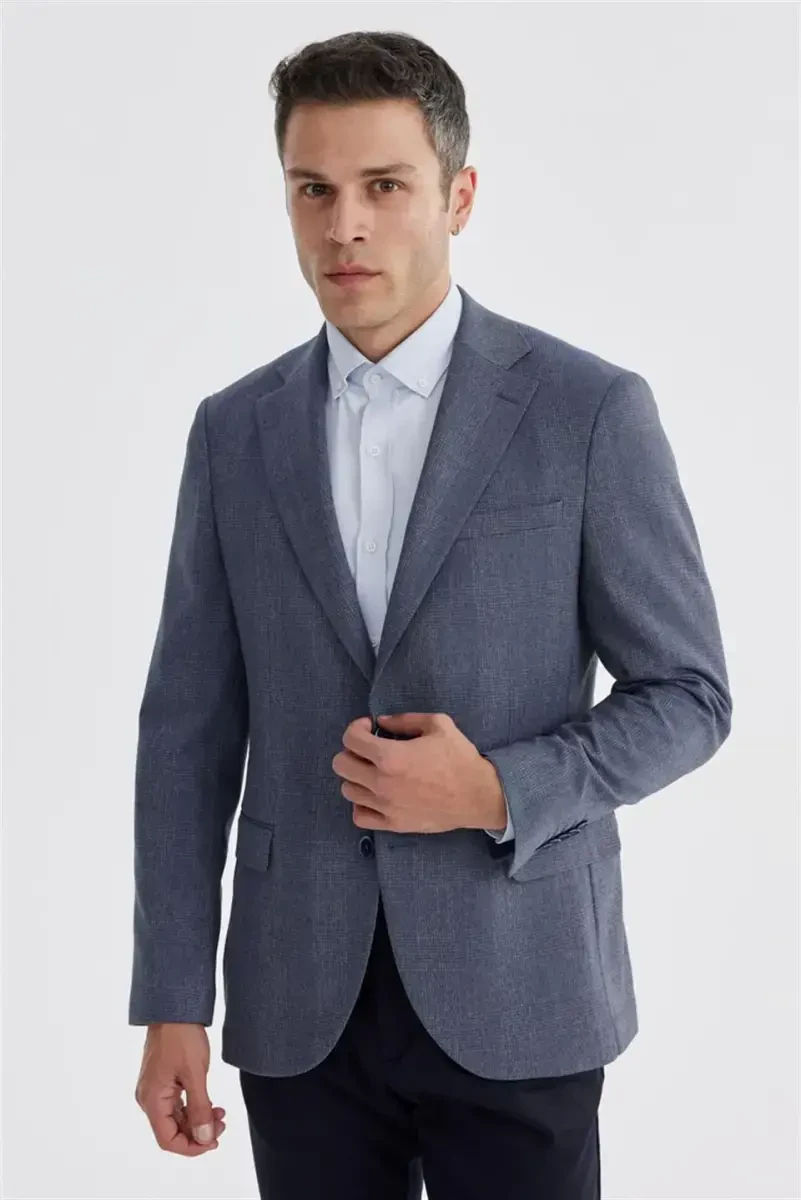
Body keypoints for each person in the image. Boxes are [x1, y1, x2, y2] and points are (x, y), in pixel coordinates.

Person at [129, 29, 732, 1200]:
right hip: (299, 999)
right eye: (314, 190)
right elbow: (185, 735)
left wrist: (501, 789)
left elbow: (691, 697)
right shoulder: (235, 431)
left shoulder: (587, 412)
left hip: (522, 986)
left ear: (458, 196)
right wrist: (171, 1000)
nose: (344, 226)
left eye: (385, 186)